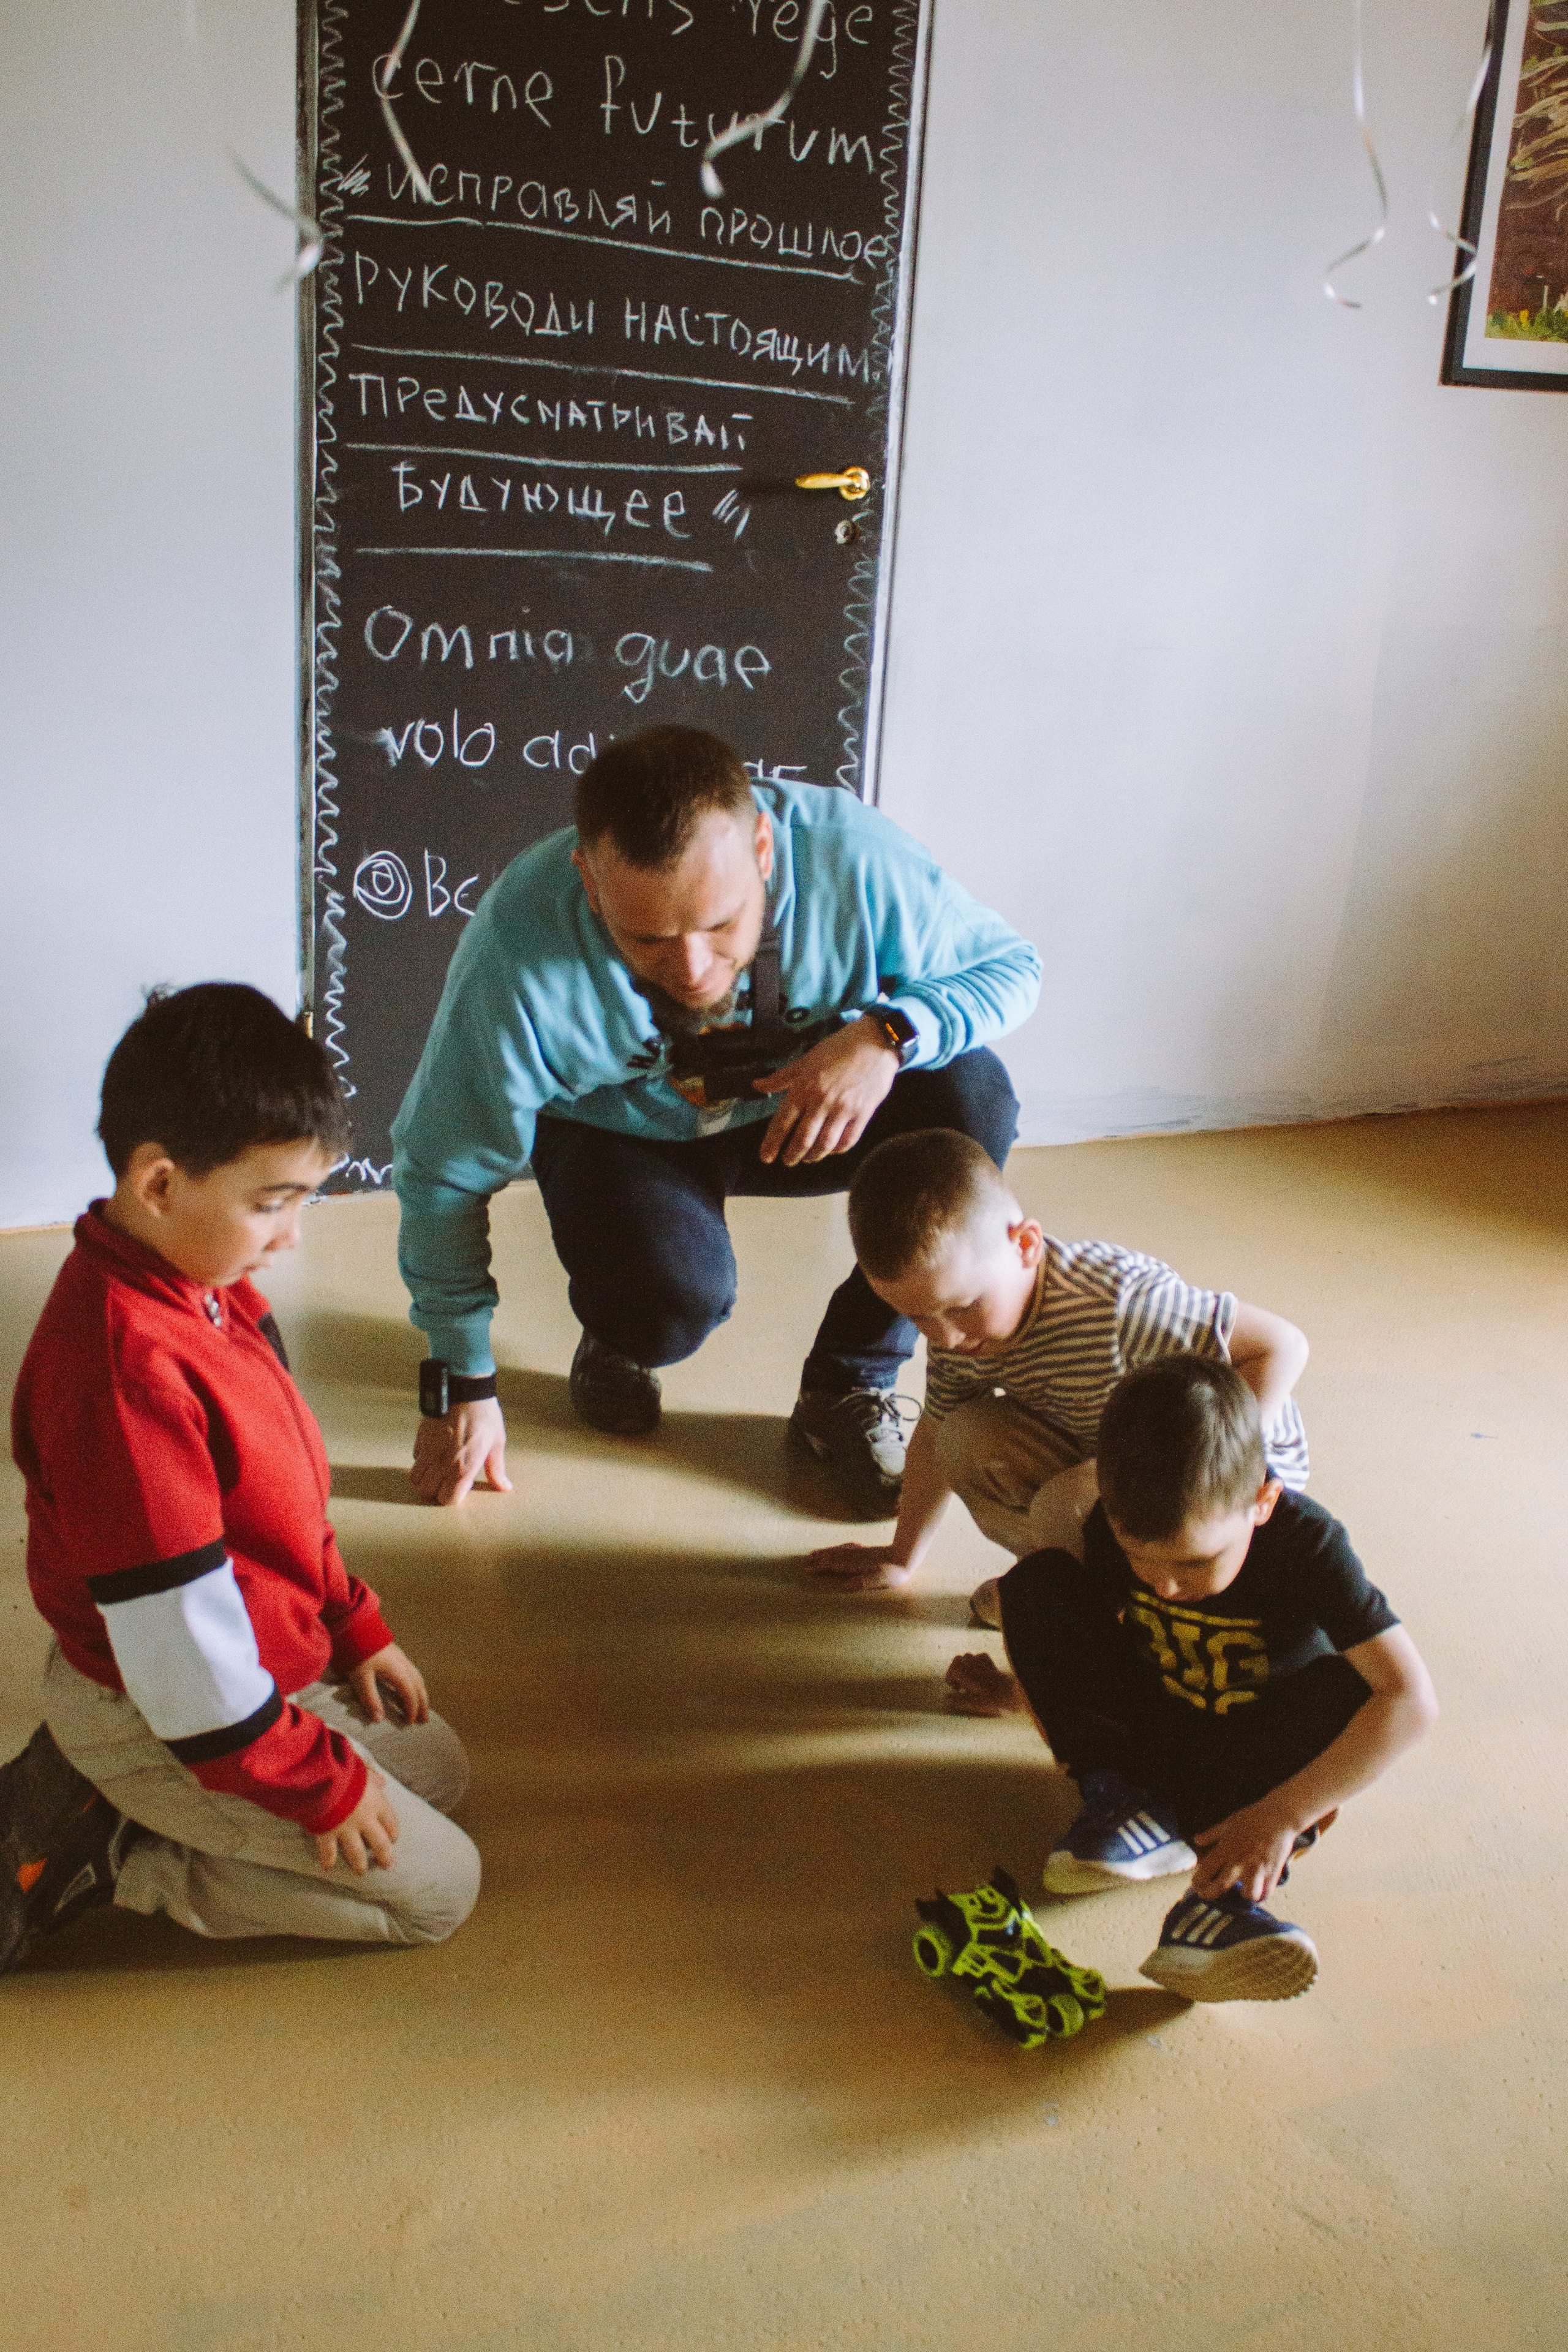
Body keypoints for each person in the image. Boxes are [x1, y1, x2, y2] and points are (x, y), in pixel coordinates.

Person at [393, 726, 1041, 1514]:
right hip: (623, 1134)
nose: (694, 969)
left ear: (763, 850)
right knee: (668, 1303)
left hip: (805, 1110)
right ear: (589, 883)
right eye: (648, 938)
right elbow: (441, 1171)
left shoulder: (854, 861)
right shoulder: (517, 946)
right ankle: (621, 1337)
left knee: (973, 1098)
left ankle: (849, 1380)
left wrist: (887, 1035)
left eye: (721, 925)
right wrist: (463, 1380)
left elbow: (1011, 967)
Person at [2, 985, 480, 1971]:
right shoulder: (126, 1380)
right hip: (158, 1708)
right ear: (160, 1184)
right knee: (440, 1892)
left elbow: (283, 1499)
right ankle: (118, 1859)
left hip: (241, 1666)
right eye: (271, 1204)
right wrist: (318, 1788)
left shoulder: (205, 1286)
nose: (293, 1235)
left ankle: (118, 1794)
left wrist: (349, 1623)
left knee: (436, 1768)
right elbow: (184, 1658)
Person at [944, 1357, 1436, 2001]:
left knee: (1355, 1686)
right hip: (1159, 1730)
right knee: (1038, 1585)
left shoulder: (1309, 1545)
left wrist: (1283, 1814)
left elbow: (1411, 1699)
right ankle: (1121, 1803)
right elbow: (1092, 1643)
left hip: (1254, 1761)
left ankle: (1218, 1908)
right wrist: (1024, 1692)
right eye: (1140, 1557)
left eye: (1197, 1562)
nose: (1167, 1586)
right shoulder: (1113, 1527)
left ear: (1262, 1501)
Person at [806, 1129, 1310, 1602]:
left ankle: (1096, 1602)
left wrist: (1219, 1468)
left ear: (1025, 1245)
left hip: (1226, 1476)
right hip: (1113, 1448)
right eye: (917, 1317)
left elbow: (1282, 1346)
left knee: (1063, 1503)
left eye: (963, 1306)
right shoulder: (960, 1333)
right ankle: (1075, 1582)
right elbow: (934, 1436)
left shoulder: (1123, 1306)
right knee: (961, 1438)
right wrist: (901, 1557)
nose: (947, 1338)